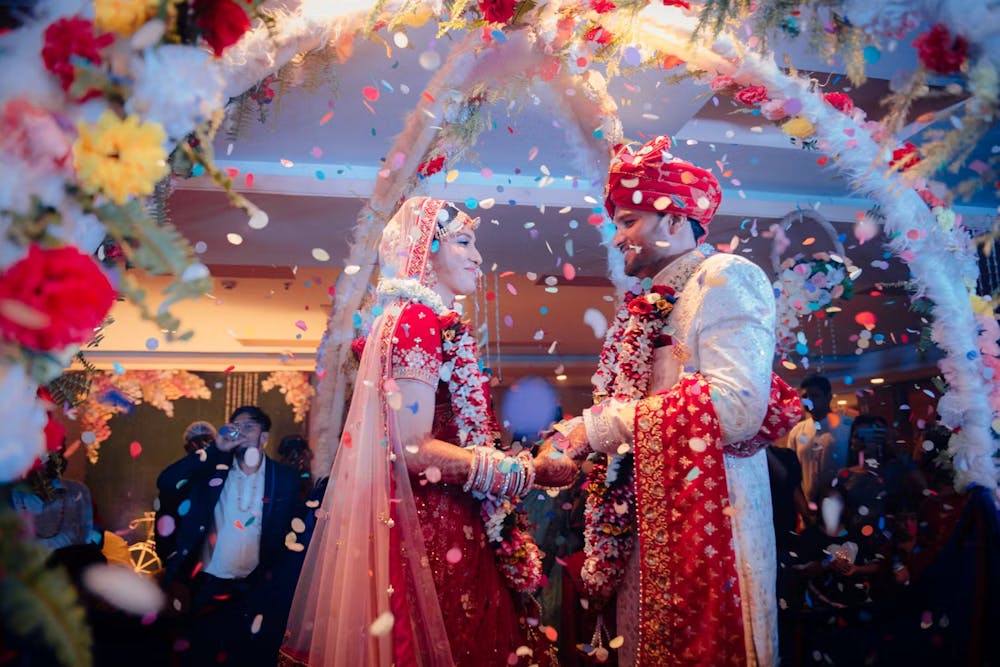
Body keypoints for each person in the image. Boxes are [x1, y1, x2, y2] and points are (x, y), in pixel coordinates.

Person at [538, 135, 801, 666]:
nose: (617, 239)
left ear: (676, 219)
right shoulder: (650, 305)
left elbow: (736, 406)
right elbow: (635, 408)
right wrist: (576, 437)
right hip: (648, 519)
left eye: (629, 221)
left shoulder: (727, 277)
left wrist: (599, 429)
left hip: (712, 524)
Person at [281, 196, 563, 666]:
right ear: (424, 249)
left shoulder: (425, 321)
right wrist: (524, 472)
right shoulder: (416, 321)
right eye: (464, 242)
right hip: (431, 525)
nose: (478, 256)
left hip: (445, 517)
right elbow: (411, 448)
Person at [155, 405, 304, 666]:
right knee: (200, 657)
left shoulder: (285, 478)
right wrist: (215, 449)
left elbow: (292, 534)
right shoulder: (212, 468)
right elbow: (167, 481)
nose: (241, 432)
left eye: (249, 427)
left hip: (256, 591)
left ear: (264, 437)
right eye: (235, 427)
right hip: (206, 587)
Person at [785, 374, 853, 506]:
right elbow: (792, 474)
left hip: (843, 505)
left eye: (815, 396)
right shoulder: (796, 431)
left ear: (828, 397)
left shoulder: (847, 427)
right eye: (804, 397)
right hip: (808, 507)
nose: (808, 401)